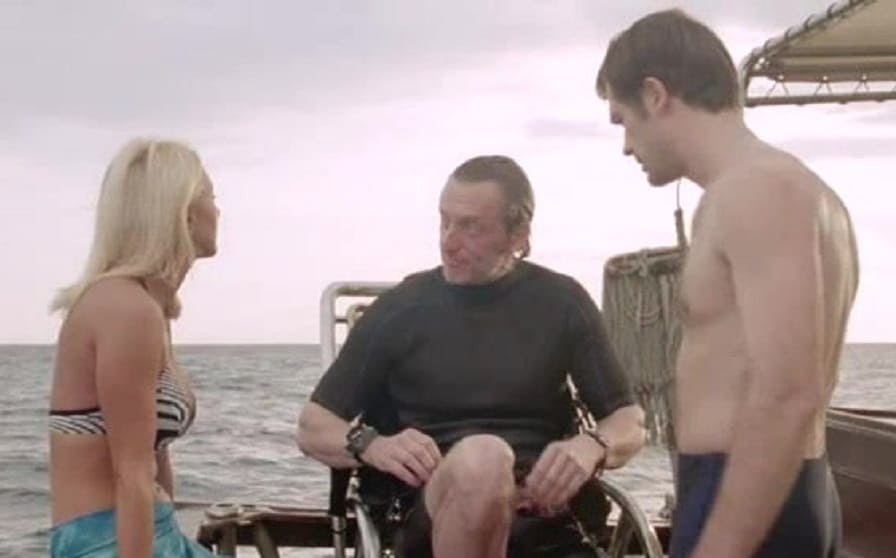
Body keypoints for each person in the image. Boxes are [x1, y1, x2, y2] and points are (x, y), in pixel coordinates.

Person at [596, 9, 859, 558]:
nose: (625, 146)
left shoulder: (756, 191)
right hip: (778, 488)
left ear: (655, 95)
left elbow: (788, 392)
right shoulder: (798, 191)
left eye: (623, 120)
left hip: (749, 496)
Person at [296, 155, 647, 558]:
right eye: (444, 221)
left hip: (543, 516)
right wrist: (370, 444)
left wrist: (593, 445)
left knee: (490, 460)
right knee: (484, 459)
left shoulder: (562, 302)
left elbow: (629, 421)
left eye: (470, 227)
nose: (448, 241)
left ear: (519, 234)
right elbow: (313, 426)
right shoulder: (400, 310)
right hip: (430, 509)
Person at [47, 138, 222, 557]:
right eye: (211, 197)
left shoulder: (151, 307)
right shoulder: (126, 308)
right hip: (102, 542)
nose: (218, 211)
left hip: (153, 532)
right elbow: (132, 473)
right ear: (184, 213)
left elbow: (155, 457)